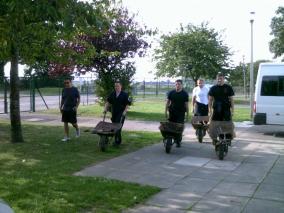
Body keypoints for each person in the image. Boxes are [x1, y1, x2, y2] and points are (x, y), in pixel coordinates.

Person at [208, 72, 235, 143]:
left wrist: (233, 110)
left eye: (221, 78)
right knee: (215, 125)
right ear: (216, 79)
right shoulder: (213, 88)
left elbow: (231, 100)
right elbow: (210, 100)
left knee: (227, 125)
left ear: (224, 79)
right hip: (216, 110)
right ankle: (215, 138)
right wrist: (209, 110)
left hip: (226, 110)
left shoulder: (228, 87)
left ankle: (228, 139)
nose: (219, 80)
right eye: (218, 79)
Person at [104, 81, 131, 146]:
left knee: (117, 126)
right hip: (114, 112)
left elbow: (127, 104)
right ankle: (117, 140)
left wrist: (125, 111)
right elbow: (108, 102)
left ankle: (117, 142)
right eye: (115, 86)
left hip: (121, 113)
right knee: (115, 126)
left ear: (121, 86)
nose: (116, 87)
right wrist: (105, 109)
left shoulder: (125, 94)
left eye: (118, 86)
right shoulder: (112, 94)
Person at [165, 79, 189, 147]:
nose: (177, 85)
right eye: (176, 84)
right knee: (171, 127)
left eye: (179, 84)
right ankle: (170, 139)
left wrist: (187, 115)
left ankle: (178, 140)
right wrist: (165, 113)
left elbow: (186, 105)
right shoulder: (171, 92)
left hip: (181, 114)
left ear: (181, 85)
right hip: (172, 112)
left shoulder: (185, 94)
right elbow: (167, 103)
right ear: (175, 85)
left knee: (179, 128)